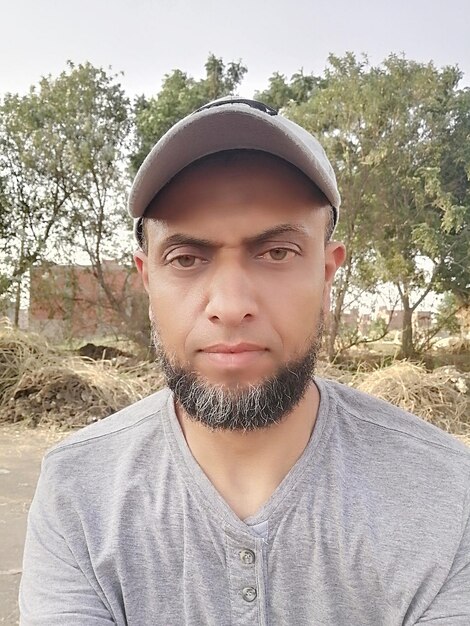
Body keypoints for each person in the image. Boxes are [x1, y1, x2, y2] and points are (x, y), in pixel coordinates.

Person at [20, 97, 470, 625]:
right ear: (147, 280)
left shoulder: (446, 495)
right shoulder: (79, 492)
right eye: (187, 259)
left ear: (327, 274)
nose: (231, 307)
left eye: (276, 253)